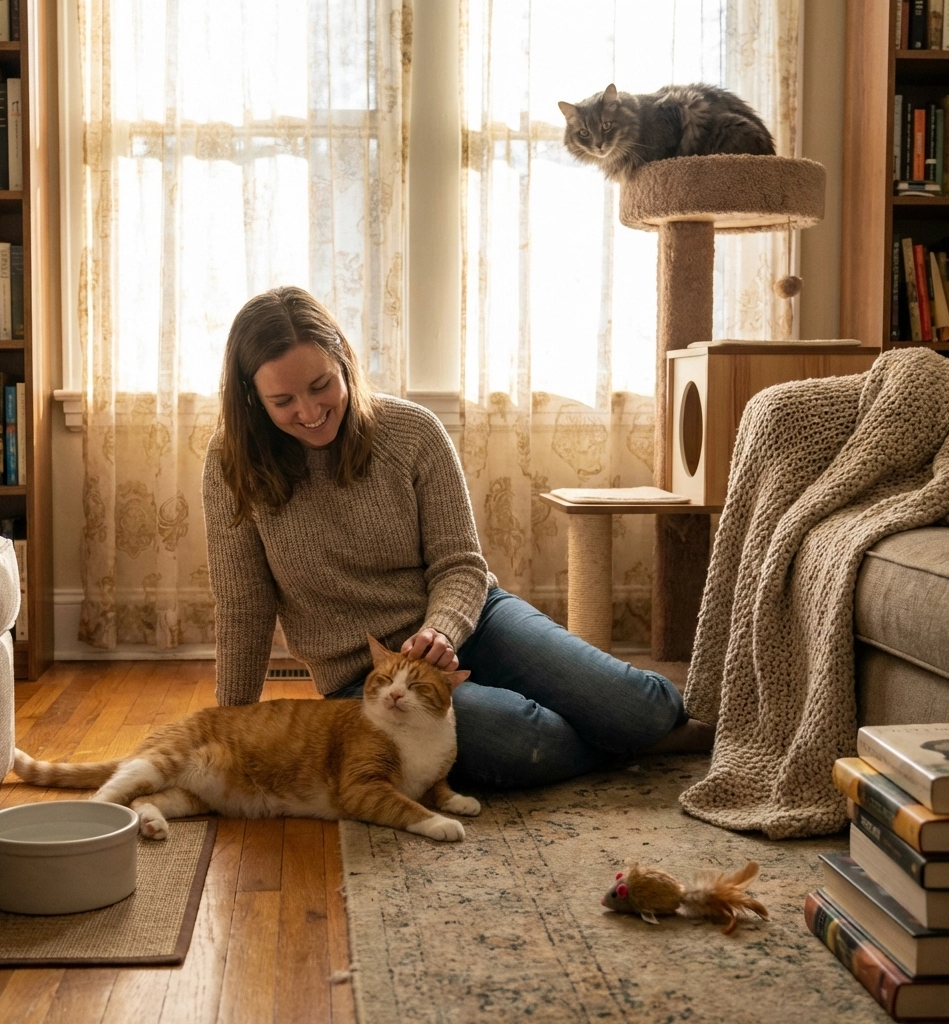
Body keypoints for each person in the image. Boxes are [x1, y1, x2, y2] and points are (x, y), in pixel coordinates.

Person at [202, 286, 691, 789]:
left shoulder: (413, 431)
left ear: (343, 361)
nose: (309, 411)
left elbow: (460, 564)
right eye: (283, 401)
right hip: (363, 676)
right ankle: (623, 739)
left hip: (474, 622)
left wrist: (442, 630)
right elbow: (244, 605)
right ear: (252, 398)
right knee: (520, 739)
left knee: (641, 709)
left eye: (321, 385)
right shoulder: (229, 465)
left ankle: (639, 727)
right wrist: (228, 727)